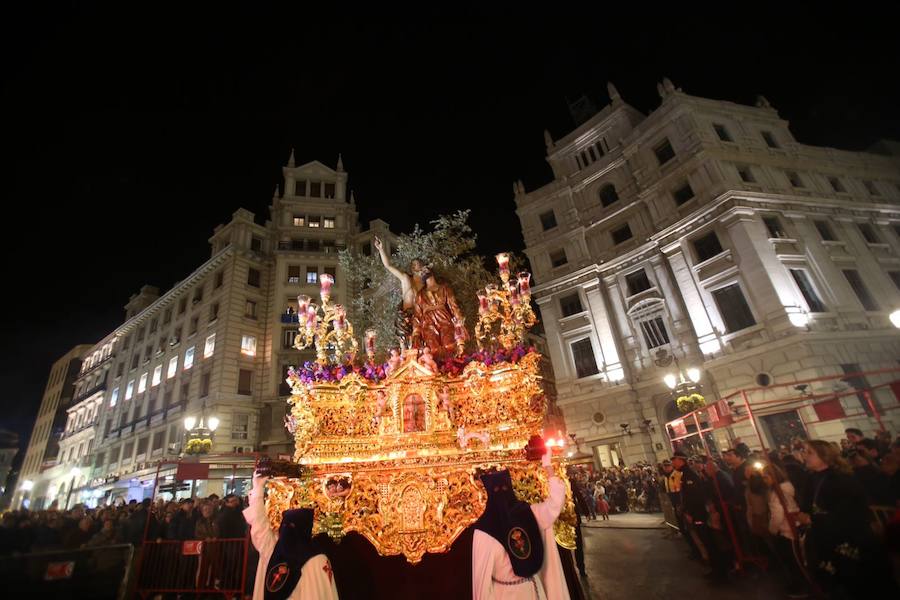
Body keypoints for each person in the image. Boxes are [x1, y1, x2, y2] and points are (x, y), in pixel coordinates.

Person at [797, 439, 898, 598]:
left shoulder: (841, 479)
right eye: (805, 451)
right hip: (825, 538)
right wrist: (804, 514)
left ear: (825, 456)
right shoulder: (811, 478)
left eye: (809, 452)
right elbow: (807, 504)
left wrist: (813, 520)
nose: (804, 455)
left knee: (861, 583)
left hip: (850, 540)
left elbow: (850, 512)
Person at [472, 448, 568, 599]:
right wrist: (548, 468)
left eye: (504, 489)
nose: (502, 495)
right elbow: (482, 584)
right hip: (506, 594)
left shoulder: (528, 513)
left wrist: (549, 468)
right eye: (498, 490)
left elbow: (554, 505)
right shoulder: (484, 531)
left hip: (533, 590)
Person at [244, 472, 339, 600]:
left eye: (291, 527)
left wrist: (258, 488)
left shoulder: (315, 560)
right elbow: (260, 525)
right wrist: (258, 488)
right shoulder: (273, 549)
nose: (286, 531)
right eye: (285, 525)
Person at [411, 265, 467, 360]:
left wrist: (459, 321)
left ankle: (452, 366)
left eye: (427, 271)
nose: (425, 274)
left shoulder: (444, 288)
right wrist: (416, 332)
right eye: (423, 273)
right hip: (428, 323)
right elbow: (417, 315)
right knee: (433, 348)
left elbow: (453, 305)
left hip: (444, 319)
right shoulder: (420, 295)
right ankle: (437, 369)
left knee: (449, 344)